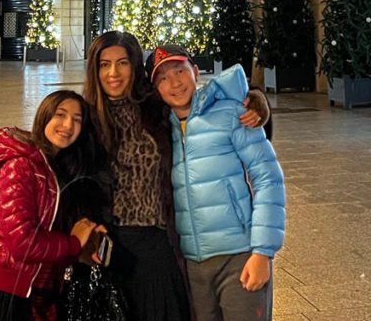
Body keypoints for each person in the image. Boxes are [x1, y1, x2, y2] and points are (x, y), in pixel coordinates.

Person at [82, 31, 268, 321]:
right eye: (104, 64)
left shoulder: (155, 109)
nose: (113, 73)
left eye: (122, 63)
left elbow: (205, 105)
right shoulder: (86, 119)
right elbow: (62, 163)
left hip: (160, 246)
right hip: (109, 247)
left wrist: (255, 98)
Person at [148, 45, 286, 321]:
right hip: (193, 266)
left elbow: (267, 177)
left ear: (195, 71)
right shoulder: (161, 128)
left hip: (239, 257)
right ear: (155, 89)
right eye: (163, 77)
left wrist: (262, 251)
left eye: (179, 71)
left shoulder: (231, 113)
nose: (174, 82)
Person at [0, 90, 102, 321]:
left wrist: (86, 242)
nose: (67, 124)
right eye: (60, 115)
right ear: (44, 116)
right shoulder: (20, 167)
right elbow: (22, 242)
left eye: (77, 120)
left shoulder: (54, 168)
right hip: (3, 296)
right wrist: (73, 243)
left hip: (37, 295)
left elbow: (48, 232)